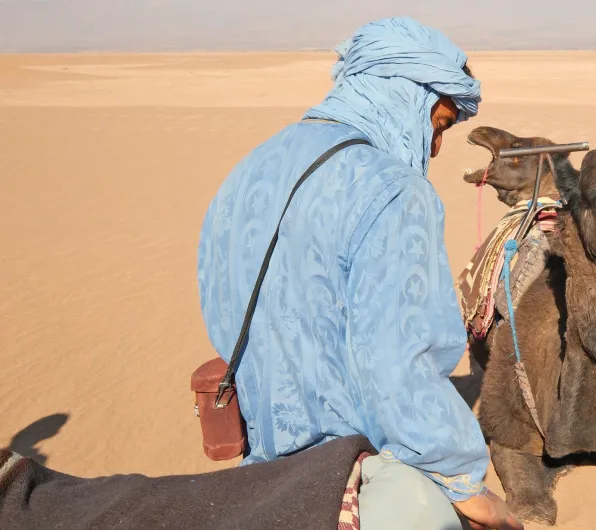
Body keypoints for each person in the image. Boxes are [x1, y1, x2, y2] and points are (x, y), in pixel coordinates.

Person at [196, 17, 523, 530]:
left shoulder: (249, 170)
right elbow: (399, 360)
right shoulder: (393, 189)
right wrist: (465, 485)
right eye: (437, 125)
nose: (434, 149)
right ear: (407, 95)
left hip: (263, 474)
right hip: (357, 482)